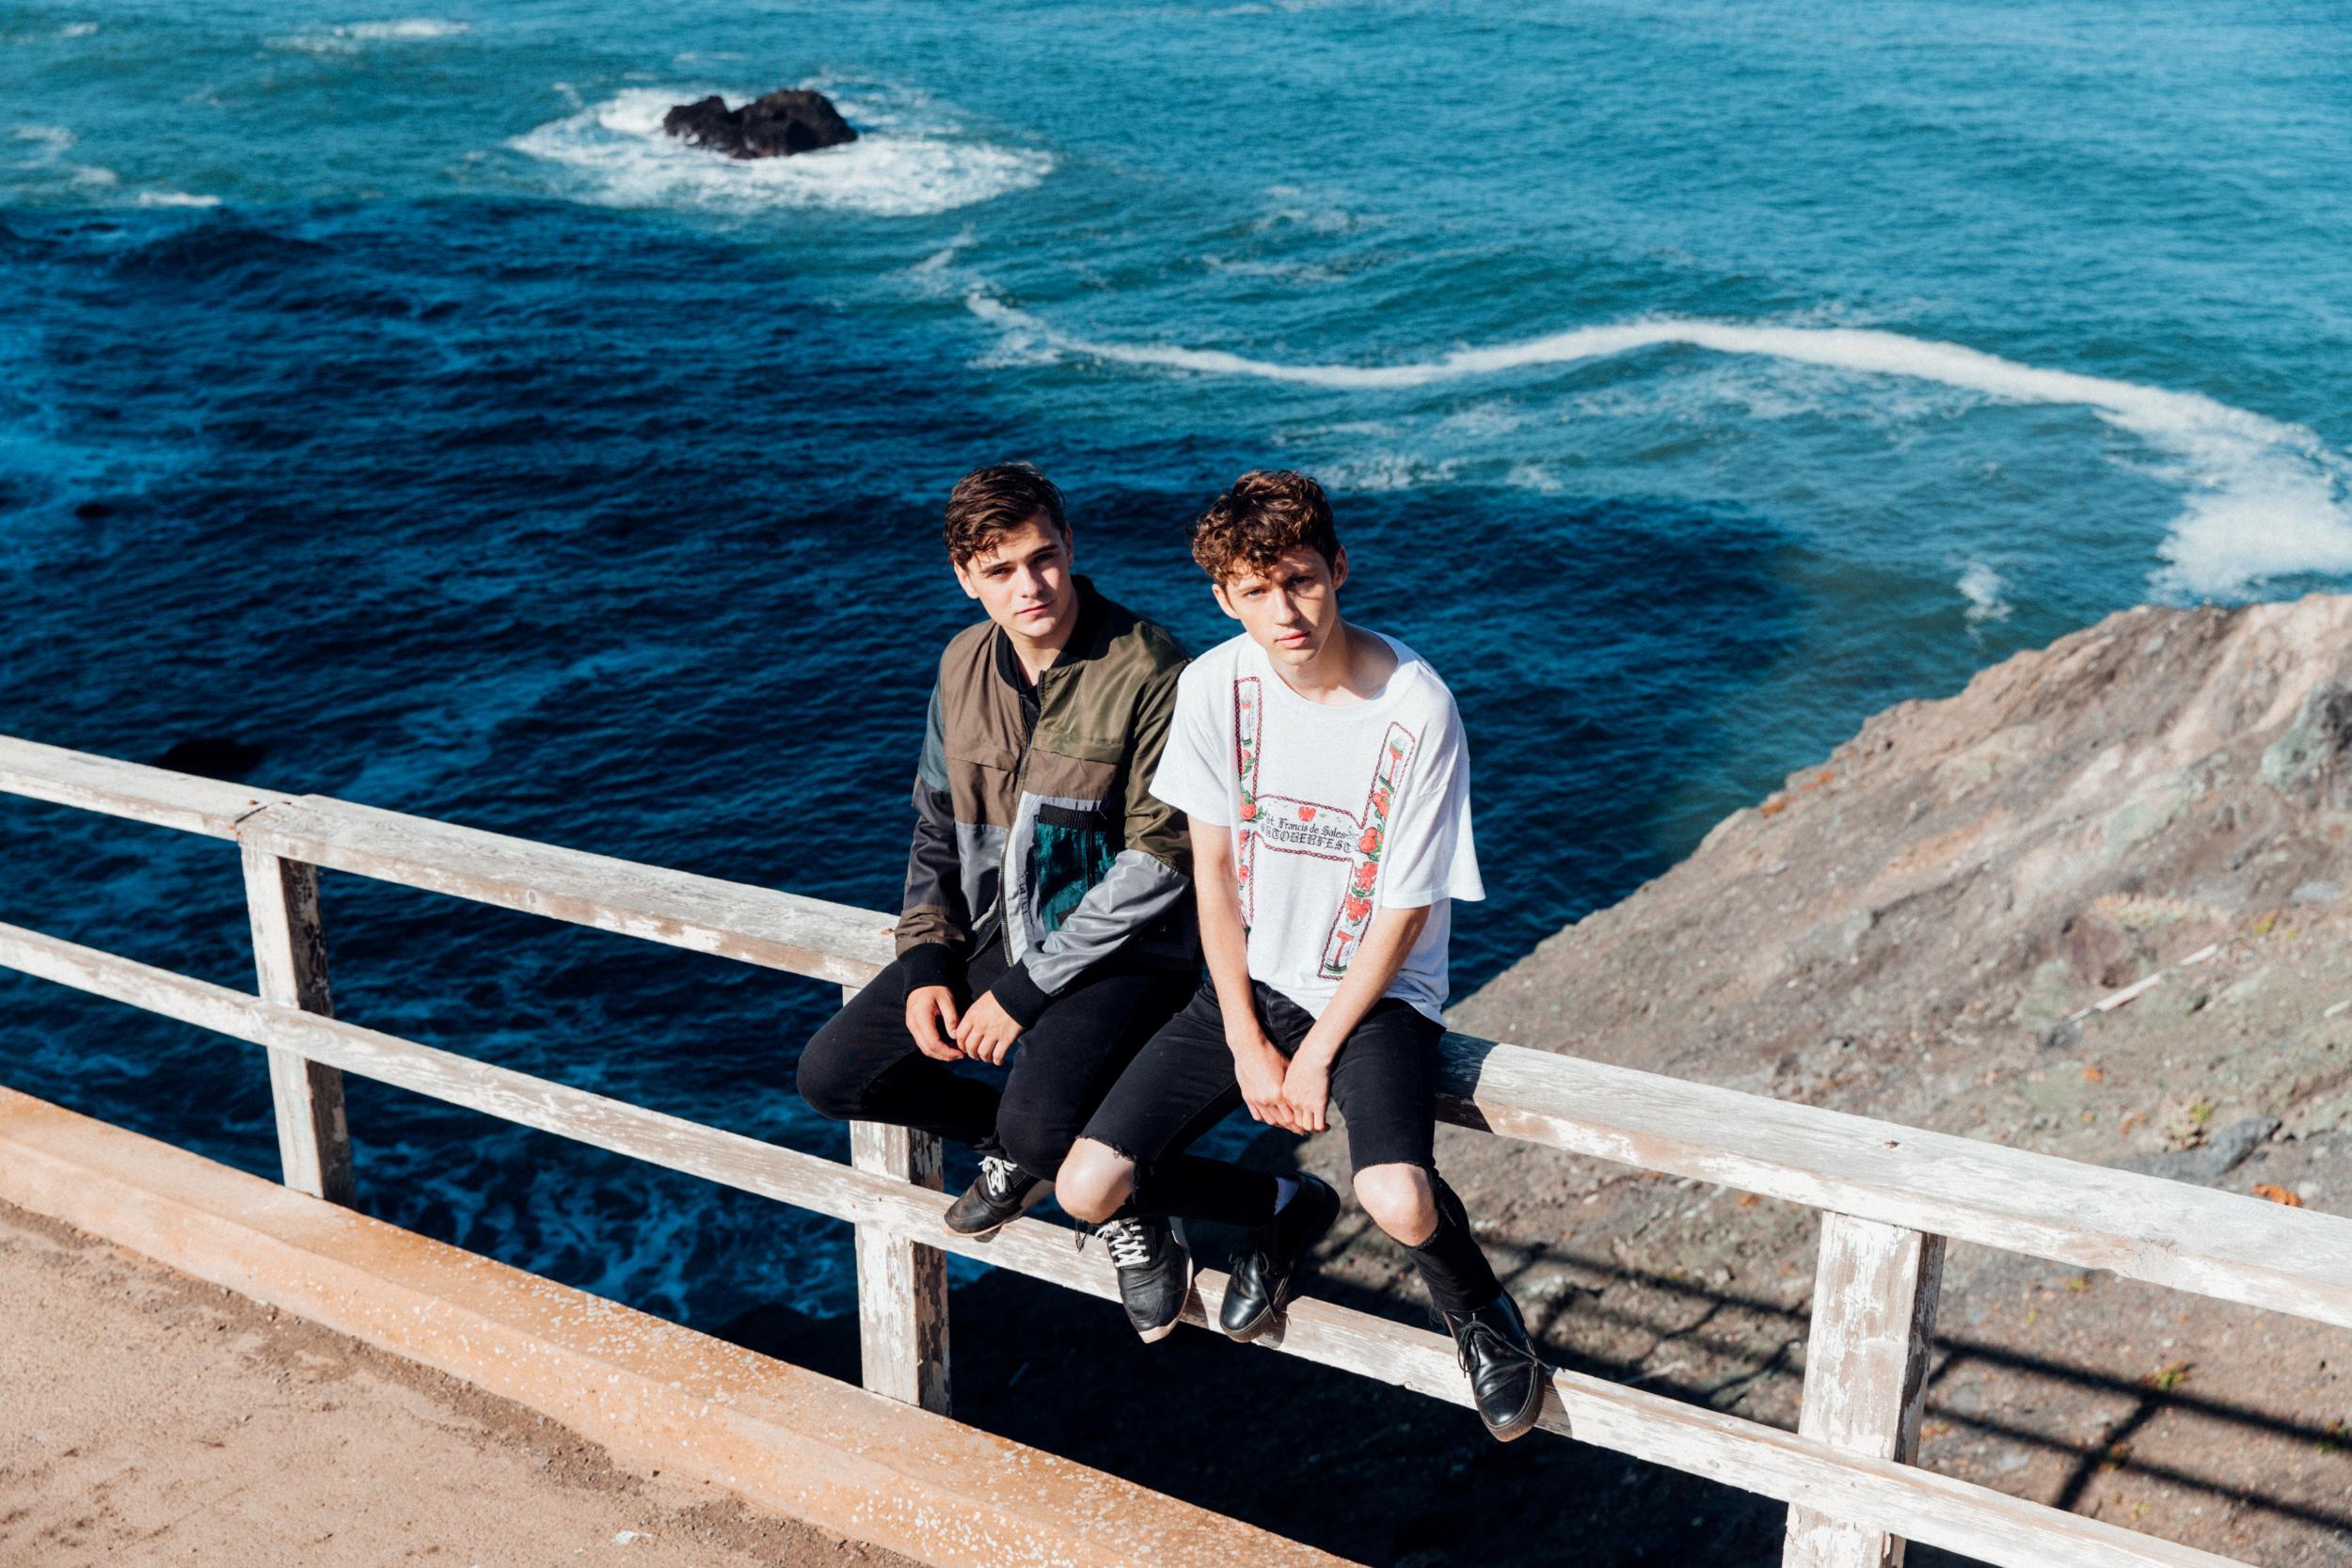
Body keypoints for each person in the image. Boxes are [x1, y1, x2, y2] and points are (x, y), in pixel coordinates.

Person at [1053, 469, 1547, 1442]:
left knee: (1397, 1194)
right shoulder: (1211, 685)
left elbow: (1405, 910)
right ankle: (1279, 1208)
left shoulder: (1416, 708)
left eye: (1301, 580)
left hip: (1376, 994)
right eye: (1255, 589)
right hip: (1253, 979)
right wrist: (1244, 1035)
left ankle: (1483, 1315)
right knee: (1083, 1187)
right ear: (1223, 598)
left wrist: (1316, 1049)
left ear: (1338, 568)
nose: (1285, 611)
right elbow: (1214, 873)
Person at [795, 463, 1198, 1239]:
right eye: (1000, 570)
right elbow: (937, 827)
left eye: (1043, 556)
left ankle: (1232, 1207)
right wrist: (926, 964)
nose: (1030, 586)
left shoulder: (1152, 669)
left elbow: (1161, 861)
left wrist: (1021, 993)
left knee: (1042, 1124)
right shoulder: (960, 665)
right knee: (833, 1074)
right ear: (964, 578)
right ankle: (1019, 1150)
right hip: (1005, 931)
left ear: (1070, 544)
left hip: (1124, 951)